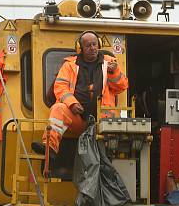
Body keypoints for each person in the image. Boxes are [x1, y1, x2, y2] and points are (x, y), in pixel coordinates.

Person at [34, 31, 128, 160]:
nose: (92, 48)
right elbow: (60, 87)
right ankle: (50, 147)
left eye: (94, 44)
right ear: (81, 48)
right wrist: (72, 103)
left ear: (99, 45)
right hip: (78, 119)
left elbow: (121, 87)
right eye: (88, 45)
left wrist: (114, 72)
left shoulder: (110, 63)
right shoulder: (69, 65)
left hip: (103, 122)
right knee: (58, 108)